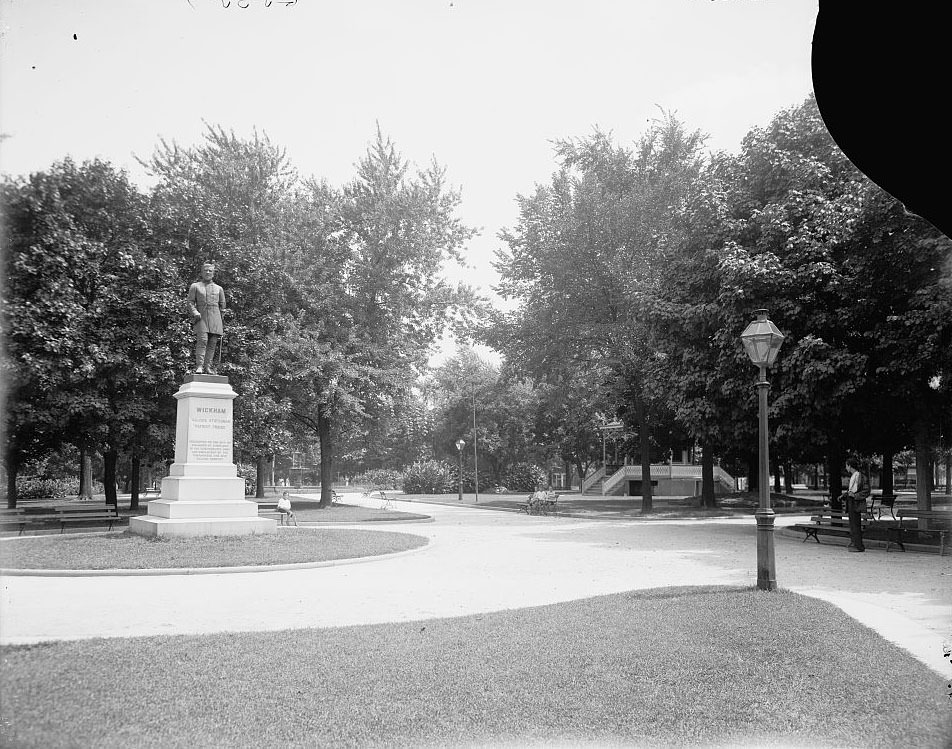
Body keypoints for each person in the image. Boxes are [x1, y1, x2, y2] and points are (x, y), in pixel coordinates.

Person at [187, 262, 226, 374]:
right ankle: (199, 366)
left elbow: (223, 305)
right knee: (202, 341)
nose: (208, 272)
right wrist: (194, 312)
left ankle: (208, 367)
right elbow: (190, 301)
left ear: (213, 273)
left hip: (215, 318)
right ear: (201, 272)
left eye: (210, 271)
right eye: (205, 270)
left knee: (212, 343)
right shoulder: (195, 286)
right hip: (201, 317)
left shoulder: (219, 289)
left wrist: (221, 317)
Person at [844, 459, 869, 552]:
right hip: (851, 501)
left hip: (856, 502)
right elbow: (852, 490)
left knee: (855, 524)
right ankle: (855, 544)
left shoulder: (861, 476)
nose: (846, 467)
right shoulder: (853, 476)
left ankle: (858, 546)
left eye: (846, 465)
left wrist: (855, 496)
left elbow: (866, 491)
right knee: (853, 524)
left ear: (850, 466)